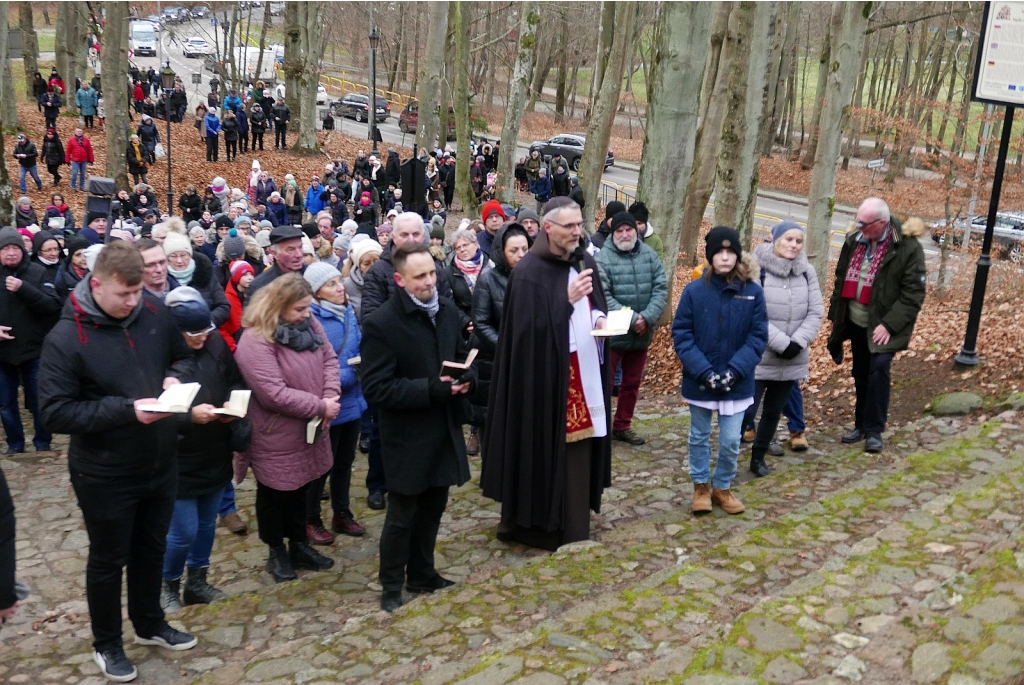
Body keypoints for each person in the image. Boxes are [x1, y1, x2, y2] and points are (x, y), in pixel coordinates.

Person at [39, 241, 199, 682]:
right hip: (105, 471)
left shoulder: (153, 310)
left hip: (161, 459)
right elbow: (54, 413)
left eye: (137, 293)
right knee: (109, 559)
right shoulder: (66, 337)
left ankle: (149, 624)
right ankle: (107, 643)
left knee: (152, 547)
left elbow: (185, 356)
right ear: (96, 284)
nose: (133, 302)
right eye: (124, 294)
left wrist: (175, 377)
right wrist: (127, 410)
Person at [481, 197, 612, 551]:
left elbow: (595, 303)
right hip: (543, 381)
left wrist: (599, 318)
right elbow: (523, 339)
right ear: (548, 228)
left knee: (581, 448)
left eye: (580, 224)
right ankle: (539, 526)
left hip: (583, 368)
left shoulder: (585, 260)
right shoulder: (528, 273)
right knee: (545, 450)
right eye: (569, 226)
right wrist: (563, 302)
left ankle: (574, 523)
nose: (577, 232)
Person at [361, 243, 474, 612]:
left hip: (442, 427)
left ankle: (423, 573)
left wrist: (466, 374)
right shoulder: (381, 323)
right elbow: (376, 388)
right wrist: (430, 389)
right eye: (420, 276)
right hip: (407, 436)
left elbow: (457, 354)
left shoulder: (446, 312)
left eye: (432, 273)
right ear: (400, 280)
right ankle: (391, 584)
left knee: (434, 507)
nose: (430, 281)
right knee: (402, 515)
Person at [235, 274, 340, 582]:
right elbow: (273, 394)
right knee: (275, 493)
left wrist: (331, 394)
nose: (306, 315)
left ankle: (298, 545)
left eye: (308, 308)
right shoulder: (255, 340)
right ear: (277, 307)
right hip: (275, 433)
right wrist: (321, 406)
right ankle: (276, 551)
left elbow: (330, 359)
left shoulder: (309, 325)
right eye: (299, 310)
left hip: (309, 429)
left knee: (303, 488)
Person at [672, 226, 767, 515]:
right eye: (719, 252)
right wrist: (704, 371)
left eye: (730, 252)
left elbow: (757, 336)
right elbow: (683, 334)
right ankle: (701, 486)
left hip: (736, 382)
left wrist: (735, 371)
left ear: (737, 255)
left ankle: (722, 486)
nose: (725, 258)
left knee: (730, 441)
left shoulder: (752, 292)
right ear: (710, 256)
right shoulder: (694, 290)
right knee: (699, 436)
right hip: (700, 380)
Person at [159, 288, 242, 613]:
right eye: (192, 334)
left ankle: (197, 581)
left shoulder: (215, 342)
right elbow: (152, 410)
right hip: (179, 456)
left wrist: (234, 404)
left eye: (205, 332)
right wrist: (189, 417)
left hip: (215, 447)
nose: (200, 339)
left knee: (208, 524)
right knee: (183, 531)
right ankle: (166, 584)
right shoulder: (161, 356)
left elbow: (234, 378)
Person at [827, 198, 926, 454]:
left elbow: (913, 294)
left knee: (878, 371)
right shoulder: (853, 241)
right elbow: (840, 280)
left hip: (884, 325)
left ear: (881, 223)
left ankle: (874, 430)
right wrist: (835, 319)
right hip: (856, 320)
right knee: (860, 373)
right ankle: (860, 425)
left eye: (865, 223)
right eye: (858, 221)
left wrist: (889, 325)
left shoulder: (907, 247)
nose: (859, 226)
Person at [741, 221, 823, 477]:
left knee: (774, 411)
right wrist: (781, 343)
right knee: (746, 411)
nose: (794, 245)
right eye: (789, 239)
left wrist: (798, 342)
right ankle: (729, 457)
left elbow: (815, 310)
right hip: (758, 356)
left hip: (792, 357)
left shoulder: (807, 272)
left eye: (798, 241)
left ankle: (759, 457)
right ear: (773, 239)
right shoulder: (756, 270)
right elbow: (751, 314)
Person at [303, 263, 367, 543]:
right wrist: (349, 375)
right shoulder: (310, 321)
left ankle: (341, 512)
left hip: (353, 402)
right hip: (327, 404)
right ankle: (310, 517)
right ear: (316, 293)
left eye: (338, 282)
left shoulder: (349, 313)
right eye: (331, 285)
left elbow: (358, 347)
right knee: (320, 466)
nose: (340, 287)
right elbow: (312, 367)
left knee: (344, 462)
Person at [594, 212, 668, 446]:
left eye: (629, 230)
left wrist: (646, 318)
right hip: (614, 334)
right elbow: (603, 295)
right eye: (619, 231)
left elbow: (660, 287)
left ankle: (622, 425)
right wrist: (632, 318)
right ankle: (601, 428)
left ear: (636, 232)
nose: (625, 234)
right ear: (613, 233)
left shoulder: (649, 254)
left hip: (642, 332)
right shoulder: (602, 258)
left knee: (632, 383)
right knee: (605, 384)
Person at [0, 227, 62, 454]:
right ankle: (15, 445)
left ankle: (42, 442)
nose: (11, 253)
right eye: (5, 249)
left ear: (23, 250)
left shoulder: (36, 273)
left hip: (34, 351)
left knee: (38, 401)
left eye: (15, 248)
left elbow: (52, 306)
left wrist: (24, 289)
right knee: (6, 403)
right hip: (2, 353)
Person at [161, 231, 231, 326]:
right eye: (173, 256)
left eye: (183, 255)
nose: (179, 260)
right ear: (167, 258)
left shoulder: (205, 273)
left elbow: (224, 306)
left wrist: (205, 324)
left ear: (190, 255)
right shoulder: (162, 279)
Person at [247, 225, 307, 299]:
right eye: (291, 250)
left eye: (300, 247)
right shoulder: (260, 286)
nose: (299, 254)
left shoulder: (313, 276)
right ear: (274, 253)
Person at [219, 256, 255, 352]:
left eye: (251, 274)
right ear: (236, 277)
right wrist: (233, 347)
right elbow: (222, 329)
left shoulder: (255, 295)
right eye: (245, 275)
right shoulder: (227, 299)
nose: (250, 278)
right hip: (237, 344)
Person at [343, 238, 382, 320]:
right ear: (359, 265)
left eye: (376, 261)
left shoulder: (390, 281)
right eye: (367, 263)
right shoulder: (347, 285)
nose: (372, 266)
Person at [65, 128, 95, 192]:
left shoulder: (86, 140)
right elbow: (68, 151)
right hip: (75, 160)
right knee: (74, 173)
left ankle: (82, 186)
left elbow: (89, 150)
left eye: (80, 131)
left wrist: (91, 159)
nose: (79, 132)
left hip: (84, 160)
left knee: (83, 173)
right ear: (75, 132)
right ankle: (73, 186)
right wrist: (67, 160)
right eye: (78, 131)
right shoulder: (71, 140)